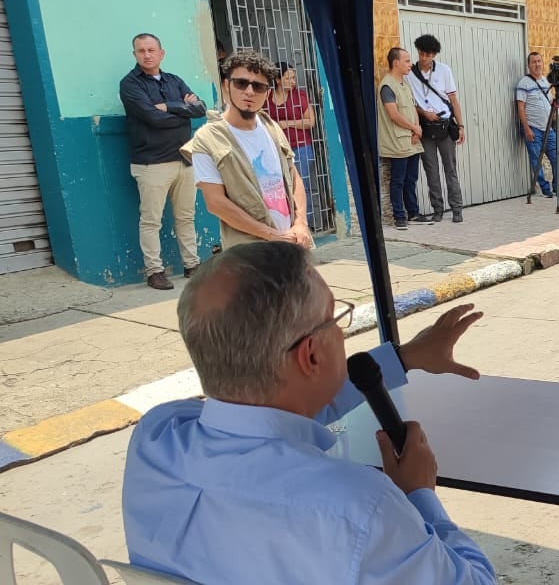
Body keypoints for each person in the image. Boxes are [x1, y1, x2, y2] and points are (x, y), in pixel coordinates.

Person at [122, 242, 496, 584]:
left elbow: (268, 418)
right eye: (335, 318)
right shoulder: (360, 508)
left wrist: (403, 357)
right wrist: (418, 493)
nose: (341, 330)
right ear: (312, 355)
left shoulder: (157, 435)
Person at [182, 51, 312, 250]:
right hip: (250, 253)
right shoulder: (207, 139)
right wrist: (271, 235)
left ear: (267, 93)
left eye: (258, 86)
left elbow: (294, 178)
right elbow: (215, 202)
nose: (250, 92)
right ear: (226, 86)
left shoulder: (272, 127)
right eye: (241, 83)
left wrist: (300, 223)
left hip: (292, 245)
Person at [119, 33, 207, 290]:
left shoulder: (174, 80)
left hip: (184, 160)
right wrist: (183, 110)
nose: (146, 55)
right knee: (151, 220)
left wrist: (169, 107)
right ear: (135, 54)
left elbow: (200, 109)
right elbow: (151, 118)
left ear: (161, 53)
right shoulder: (130, 84)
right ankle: (154, 271)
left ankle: (192, 266)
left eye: (150, 50)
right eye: (140, 51)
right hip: (151, 163)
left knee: (186, 217)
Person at [407, 34, 466, 223]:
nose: (423, 58)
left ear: (434, 55)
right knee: (430, 169)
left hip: (444, 124)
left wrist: (461, 125)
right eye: (421, 53)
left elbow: (453, 100)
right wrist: (423, 113)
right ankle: (438, 209)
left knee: (450, 168)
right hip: (425, 126)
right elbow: (409, 102)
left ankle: (457, 208)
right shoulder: (410, 73)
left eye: (428, 55)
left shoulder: (444, 70)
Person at [377, 47, 430, 229]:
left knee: (411, 179)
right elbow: (393, 114)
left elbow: (412, 108)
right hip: (397, 141)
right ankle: (399, 216)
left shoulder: (404, 84)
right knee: (398, 180)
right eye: (406, 61)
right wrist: (414, 127)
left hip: (412, 140)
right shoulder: (387, 85)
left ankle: (413, 213)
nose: (410, 64)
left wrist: (417, 130)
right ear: (396, 63)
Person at [267, 61, 318, 229]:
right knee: (279, 187)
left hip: (300, 146)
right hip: (277, 149)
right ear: (277, 79)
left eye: (294, 77)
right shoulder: (267, 97)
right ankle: (286, 224)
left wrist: (287, 123)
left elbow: (310, 121)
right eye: (288, 78)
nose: (293, 81)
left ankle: (305, 224)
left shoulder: (299, 96)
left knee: (302, 186)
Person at [516, 51, 559, 199]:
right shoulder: (524, 83)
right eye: (534, 62)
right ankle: (545, 189)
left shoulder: (546, 81)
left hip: (548, 129)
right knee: (536, 161)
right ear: (529, 65)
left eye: (539, 61)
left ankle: (558, 187)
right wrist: (526, 128)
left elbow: (550, 101)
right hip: (533, 128)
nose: (537, 64)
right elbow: (520, 107)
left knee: (556, 157)